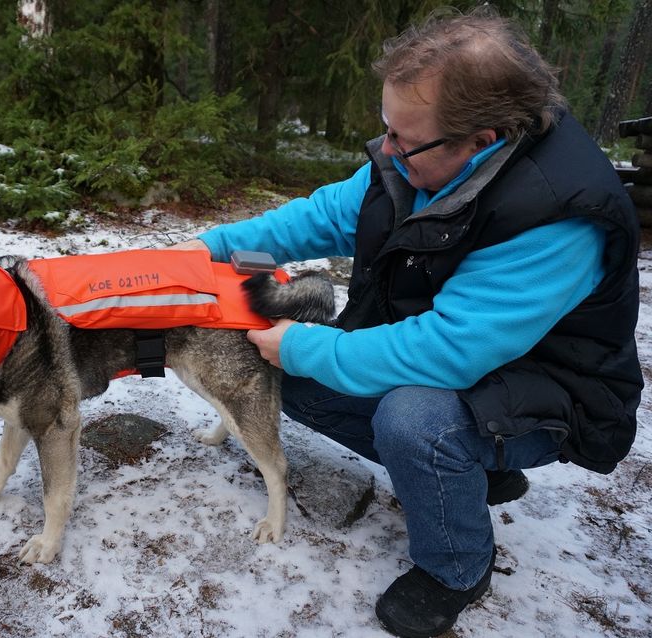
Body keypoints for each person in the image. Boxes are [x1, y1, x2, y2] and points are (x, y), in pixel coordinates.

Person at [174, 7, 642, 637]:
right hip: (461, 356)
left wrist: (306, 346)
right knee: (287, 376)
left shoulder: (557, 219)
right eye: (386, 129)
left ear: (485, 137)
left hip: (550, 388)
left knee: (415, 422)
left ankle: (456, 566)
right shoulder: (413, 163)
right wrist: (203, 254)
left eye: (403, 138)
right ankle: (482, 474)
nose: (386, 151)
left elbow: (452, 352)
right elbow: (308, 226)